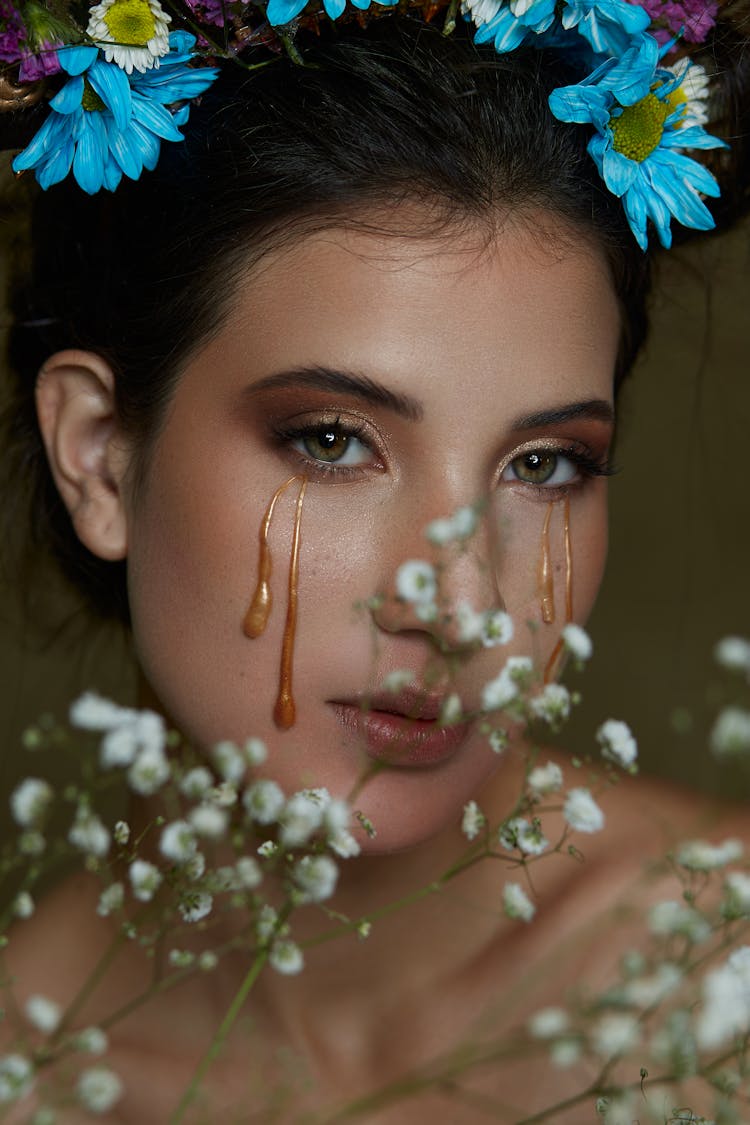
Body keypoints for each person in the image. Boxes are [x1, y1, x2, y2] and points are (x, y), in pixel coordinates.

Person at [0, 2, 749, 1121]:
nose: (461, 604)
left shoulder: (720, 986)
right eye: (333, 440)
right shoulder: (27, 1076)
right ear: (101, 459)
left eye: (544, 464)